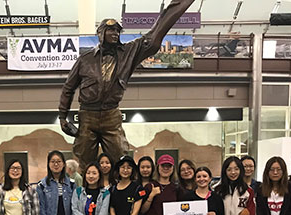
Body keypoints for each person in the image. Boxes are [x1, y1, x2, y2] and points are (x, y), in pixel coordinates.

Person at [58, 0, 196, 166]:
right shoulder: (85, 60)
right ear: (101, 33)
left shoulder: (128, 53)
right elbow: (68, 88)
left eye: (117, 30)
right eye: (110, 30)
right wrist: (62, 116)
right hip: (87, 115)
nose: (115, 33)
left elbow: (151, 41)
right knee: (85, 162)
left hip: (111, 115)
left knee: (121, 161)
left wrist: (178, 6)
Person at [37, 151, 75, 215]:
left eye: (59, 161)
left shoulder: (72, 184)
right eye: (53, 161)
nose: (56, 164)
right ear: (48, 164)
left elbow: (75, 209)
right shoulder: (42, 185)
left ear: (63, 164)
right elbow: (41, 208)